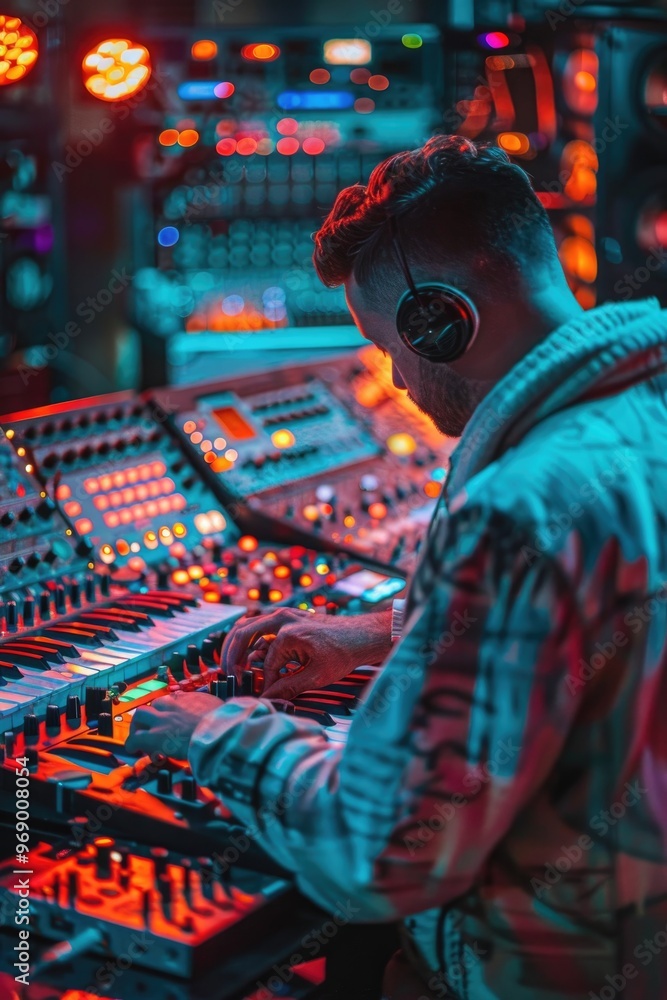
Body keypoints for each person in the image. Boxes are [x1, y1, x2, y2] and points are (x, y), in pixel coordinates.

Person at [127, 136, 667, 1000]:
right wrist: (378, 632)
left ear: (439, 322)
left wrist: (210, 733)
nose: (395, 378)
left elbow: (380, 853)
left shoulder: (516, 508)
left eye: (387, 345)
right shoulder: (644, 403)